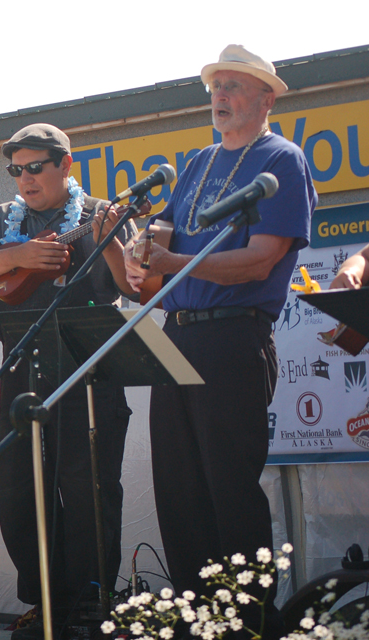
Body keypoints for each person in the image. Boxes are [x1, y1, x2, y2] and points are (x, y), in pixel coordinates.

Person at [119, 45, 316, 637]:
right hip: (175, 337)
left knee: (228, 488)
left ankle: (247, 624)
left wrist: (172, 261)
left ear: (266, 98)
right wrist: (139, 252)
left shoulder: (281, 160)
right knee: (178, 492)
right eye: (215, 87)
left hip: (233, 338)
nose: (220, 96)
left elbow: (259, 262)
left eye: (233, 86)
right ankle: (193, 621)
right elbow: (163, 235)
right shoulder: (199, 160)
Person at [0, 124, 134, 637]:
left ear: (66, 166)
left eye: (36, 167)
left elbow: (135, 286)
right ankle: (43, 599)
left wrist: (111, 243)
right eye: (16, 169)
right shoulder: (3, 218)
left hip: (88, 372)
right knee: (19, 490)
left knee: (87, 487)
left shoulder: (101, 214)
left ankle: (91, 599)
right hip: (21, 369)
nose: (25, 179)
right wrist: (18, 257)